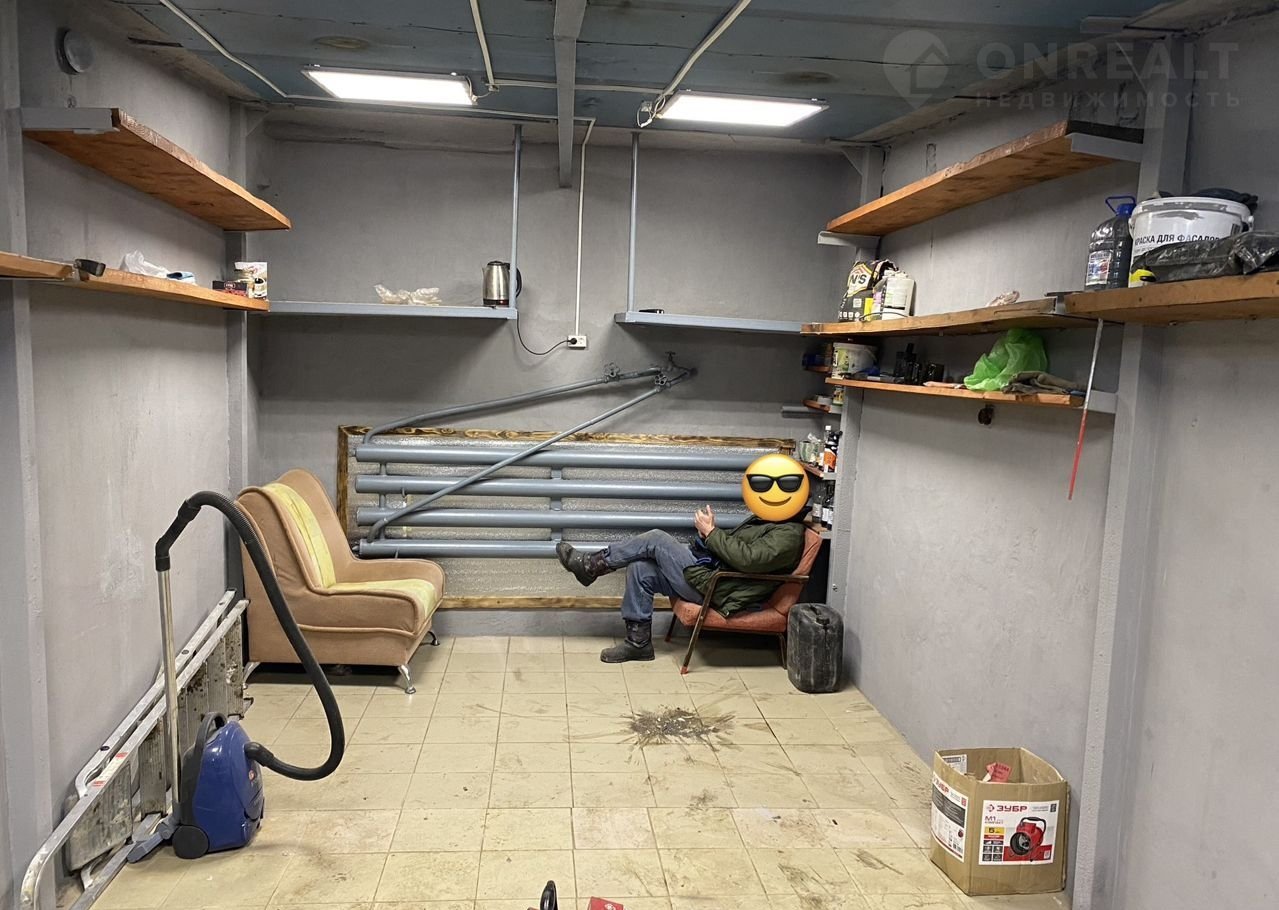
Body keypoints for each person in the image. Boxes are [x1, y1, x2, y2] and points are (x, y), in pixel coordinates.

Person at [554, 453, 811, 663]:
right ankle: (638, 644)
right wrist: (708, 535)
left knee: (656, 539)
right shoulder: (769, 521)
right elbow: (736, 551)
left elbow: (749, 560)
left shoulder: (788, 535)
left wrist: (713, 533)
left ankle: (591, 566)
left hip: (720, 589)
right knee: (641, 568)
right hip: (714, 576)